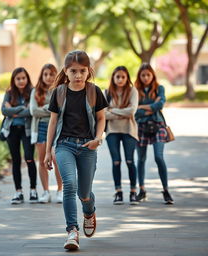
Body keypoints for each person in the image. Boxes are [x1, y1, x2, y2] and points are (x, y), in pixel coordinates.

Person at [44, 50, 108, 250]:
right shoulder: (59, 92)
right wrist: (48, 151)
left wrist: (98, 139)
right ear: (66, 71)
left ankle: (89, 211)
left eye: (82, 71)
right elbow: (53, 123)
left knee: (84, 193)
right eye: (73, 71)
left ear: (89, 70)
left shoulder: (94, 91)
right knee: (69, 185)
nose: (78, 75)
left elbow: (101, 118)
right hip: (65, 145)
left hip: (88, 146)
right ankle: (72, 230)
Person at [134, 63, 174, 204]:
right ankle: (142, 190)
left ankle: (166, 190)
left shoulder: (159, 88)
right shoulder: (135, 90)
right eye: (143, 75)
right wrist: (151, 107)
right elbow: (134, 110)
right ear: (139, 76)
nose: (146, 77)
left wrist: (142, 107)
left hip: (158, 126)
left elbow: (160, 105)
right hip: (141, 127)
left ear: (153, 75)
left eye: (148, 75)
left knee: (159, 157)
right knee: (141, 159)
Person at [1, 67, 38, 204]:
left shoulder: (32, 92)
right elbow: (4, 110)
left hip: (27, 130)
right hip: (12, 130)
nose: (21, 81)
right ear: (14, 80)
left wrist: (14, 110)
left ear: (27, 78)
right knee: (15, 160)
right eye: (18, 78)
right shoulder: (9, 92)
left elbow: (31, 111)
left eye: (23, 78)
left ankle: (33, 191)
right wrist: (20, 109)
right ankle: (18, 192)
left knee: (29, 158)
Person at [105, 66, 139, 205]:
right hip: (112, 131)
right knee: (116, 161)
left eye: (123, 77)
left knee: (130, 161)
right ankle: (118, 192)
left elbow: (132, 111)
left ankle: (133, 192)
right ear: (113, 77)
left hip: (129, 130)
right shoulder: (107, 93)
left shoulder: (132, 91)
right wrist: (120, 113)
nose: (120, 79)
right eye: (117, 76)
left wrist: (113, 111)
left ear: (127, 78)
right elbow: (103, 113)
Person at [30, 64, 63, 203]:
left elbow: (62, 110)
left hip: (57, 128)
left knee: (57, 160)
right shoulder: (35, 92)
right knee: (43, 160)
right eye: (45, 74)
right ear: (41, 76)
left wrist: (44, 108)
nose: (48, 77)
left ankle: (60, 191)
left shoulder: (60, 90)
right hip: (40, 128)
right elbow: (34, 111)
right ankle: (45, 192)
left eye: (51, 74)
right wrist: (50, 109)